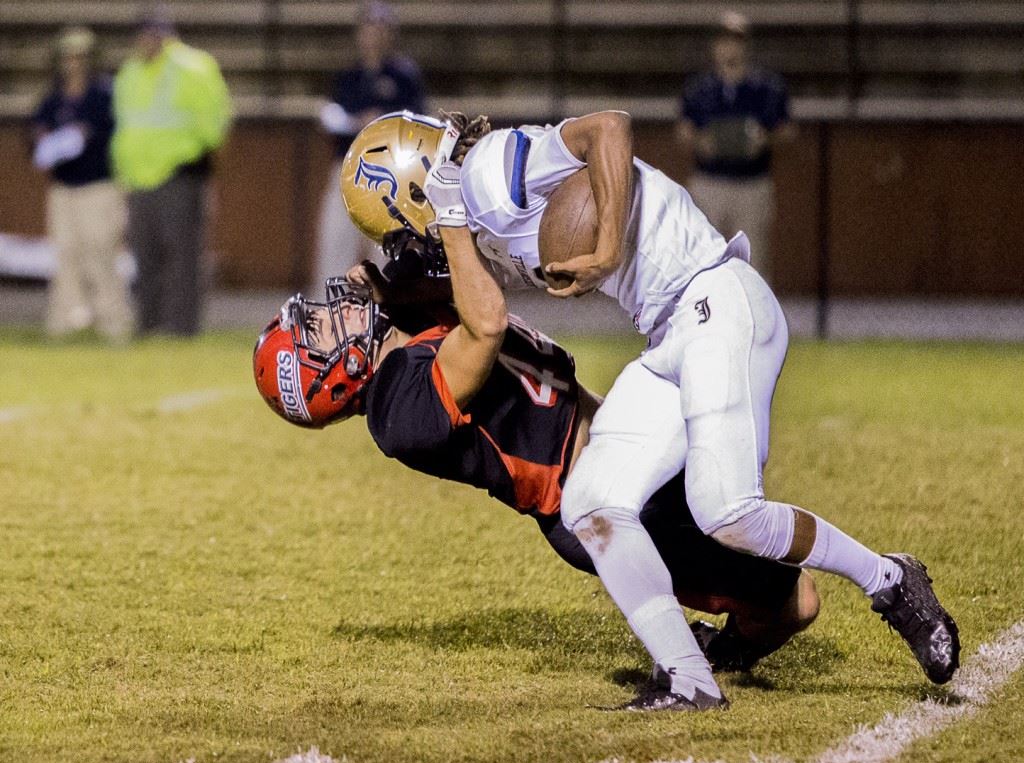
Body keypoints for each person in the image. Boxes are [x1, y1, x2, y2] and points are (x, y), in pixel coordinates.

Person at [337, 110, 960, 710]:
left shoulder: (489, 174)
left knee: (729, 511)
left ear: (412, 190)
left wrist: (607, 248)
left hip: (716, 300)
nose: (403, 246)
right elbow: (464, 291)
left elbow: (610, 127)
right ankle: (691, 680)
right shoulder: (473, 215)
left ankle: (889, 579)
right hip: (670, 334)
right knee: (589, 502)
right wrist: (394, 295)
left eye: (395, 229)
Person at [253, 259, 820, 694]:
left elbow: (416, 274)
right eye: (320, 333)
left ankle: (712, 649)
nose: (333, 314)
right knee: (798, 600)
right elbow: (486, 324)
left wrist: (406, 231)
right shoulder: (399, 413)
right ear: (335, 377)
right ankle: (723, 655)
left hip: (635, 444)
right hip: (607, 503)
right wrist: (448, 219)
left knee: (748, 524)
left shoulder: (404, 327)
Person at [111, 6, 231, 337]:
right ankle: (148, 324)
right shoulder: (130, 72)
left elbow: (215, 118)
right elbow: (126, 126)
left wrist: (198, 155)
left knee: (183, 258)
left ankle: (182, 328)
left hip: (180, 173)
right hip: (139, 177)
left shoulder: (193, 67)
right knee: (144, 258)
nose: (148, 40)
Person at [310, 0, 425, 295]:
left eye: (381, 28)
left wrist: (379, 122)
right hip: (349, 169)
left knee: (388, 248)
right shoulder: (348, 78)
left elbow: (417, 124)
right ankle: (327, 308)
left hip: (390, 174)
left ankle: (391, 312)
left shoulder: (404, 76)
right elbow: (333, 118)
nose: (374, 34)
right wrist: (356, 121)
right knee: (335, 241)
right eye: (369, 28)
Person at [676, 11, 795, 285]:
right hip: (709, 182)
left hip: (751, 184)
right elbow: (683, 129)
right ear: (715, 46)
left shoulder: (767, 87)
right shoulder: (700, 88)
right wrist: (700, 141)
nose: (730, 47)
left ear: (746, 45)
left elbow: (787, 129)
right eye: (725, 40)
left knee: (753, 265)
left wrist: (765, 139)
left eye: (737, 40)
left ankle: (755, 325)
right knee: (702, 262)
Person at [30, 26, 132, 342]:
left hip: (99, 187)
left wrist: (86, 135)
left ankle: (113, 322)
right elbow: (35, 137)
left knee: (100, 253)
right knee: (66, 255)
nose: (73, 63)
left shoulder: (105, 95)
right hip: (63, 189)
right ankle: (66, 322)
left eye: (80, 57)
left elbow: (114, 135)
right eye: (68, 57)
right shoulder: (52, 98)